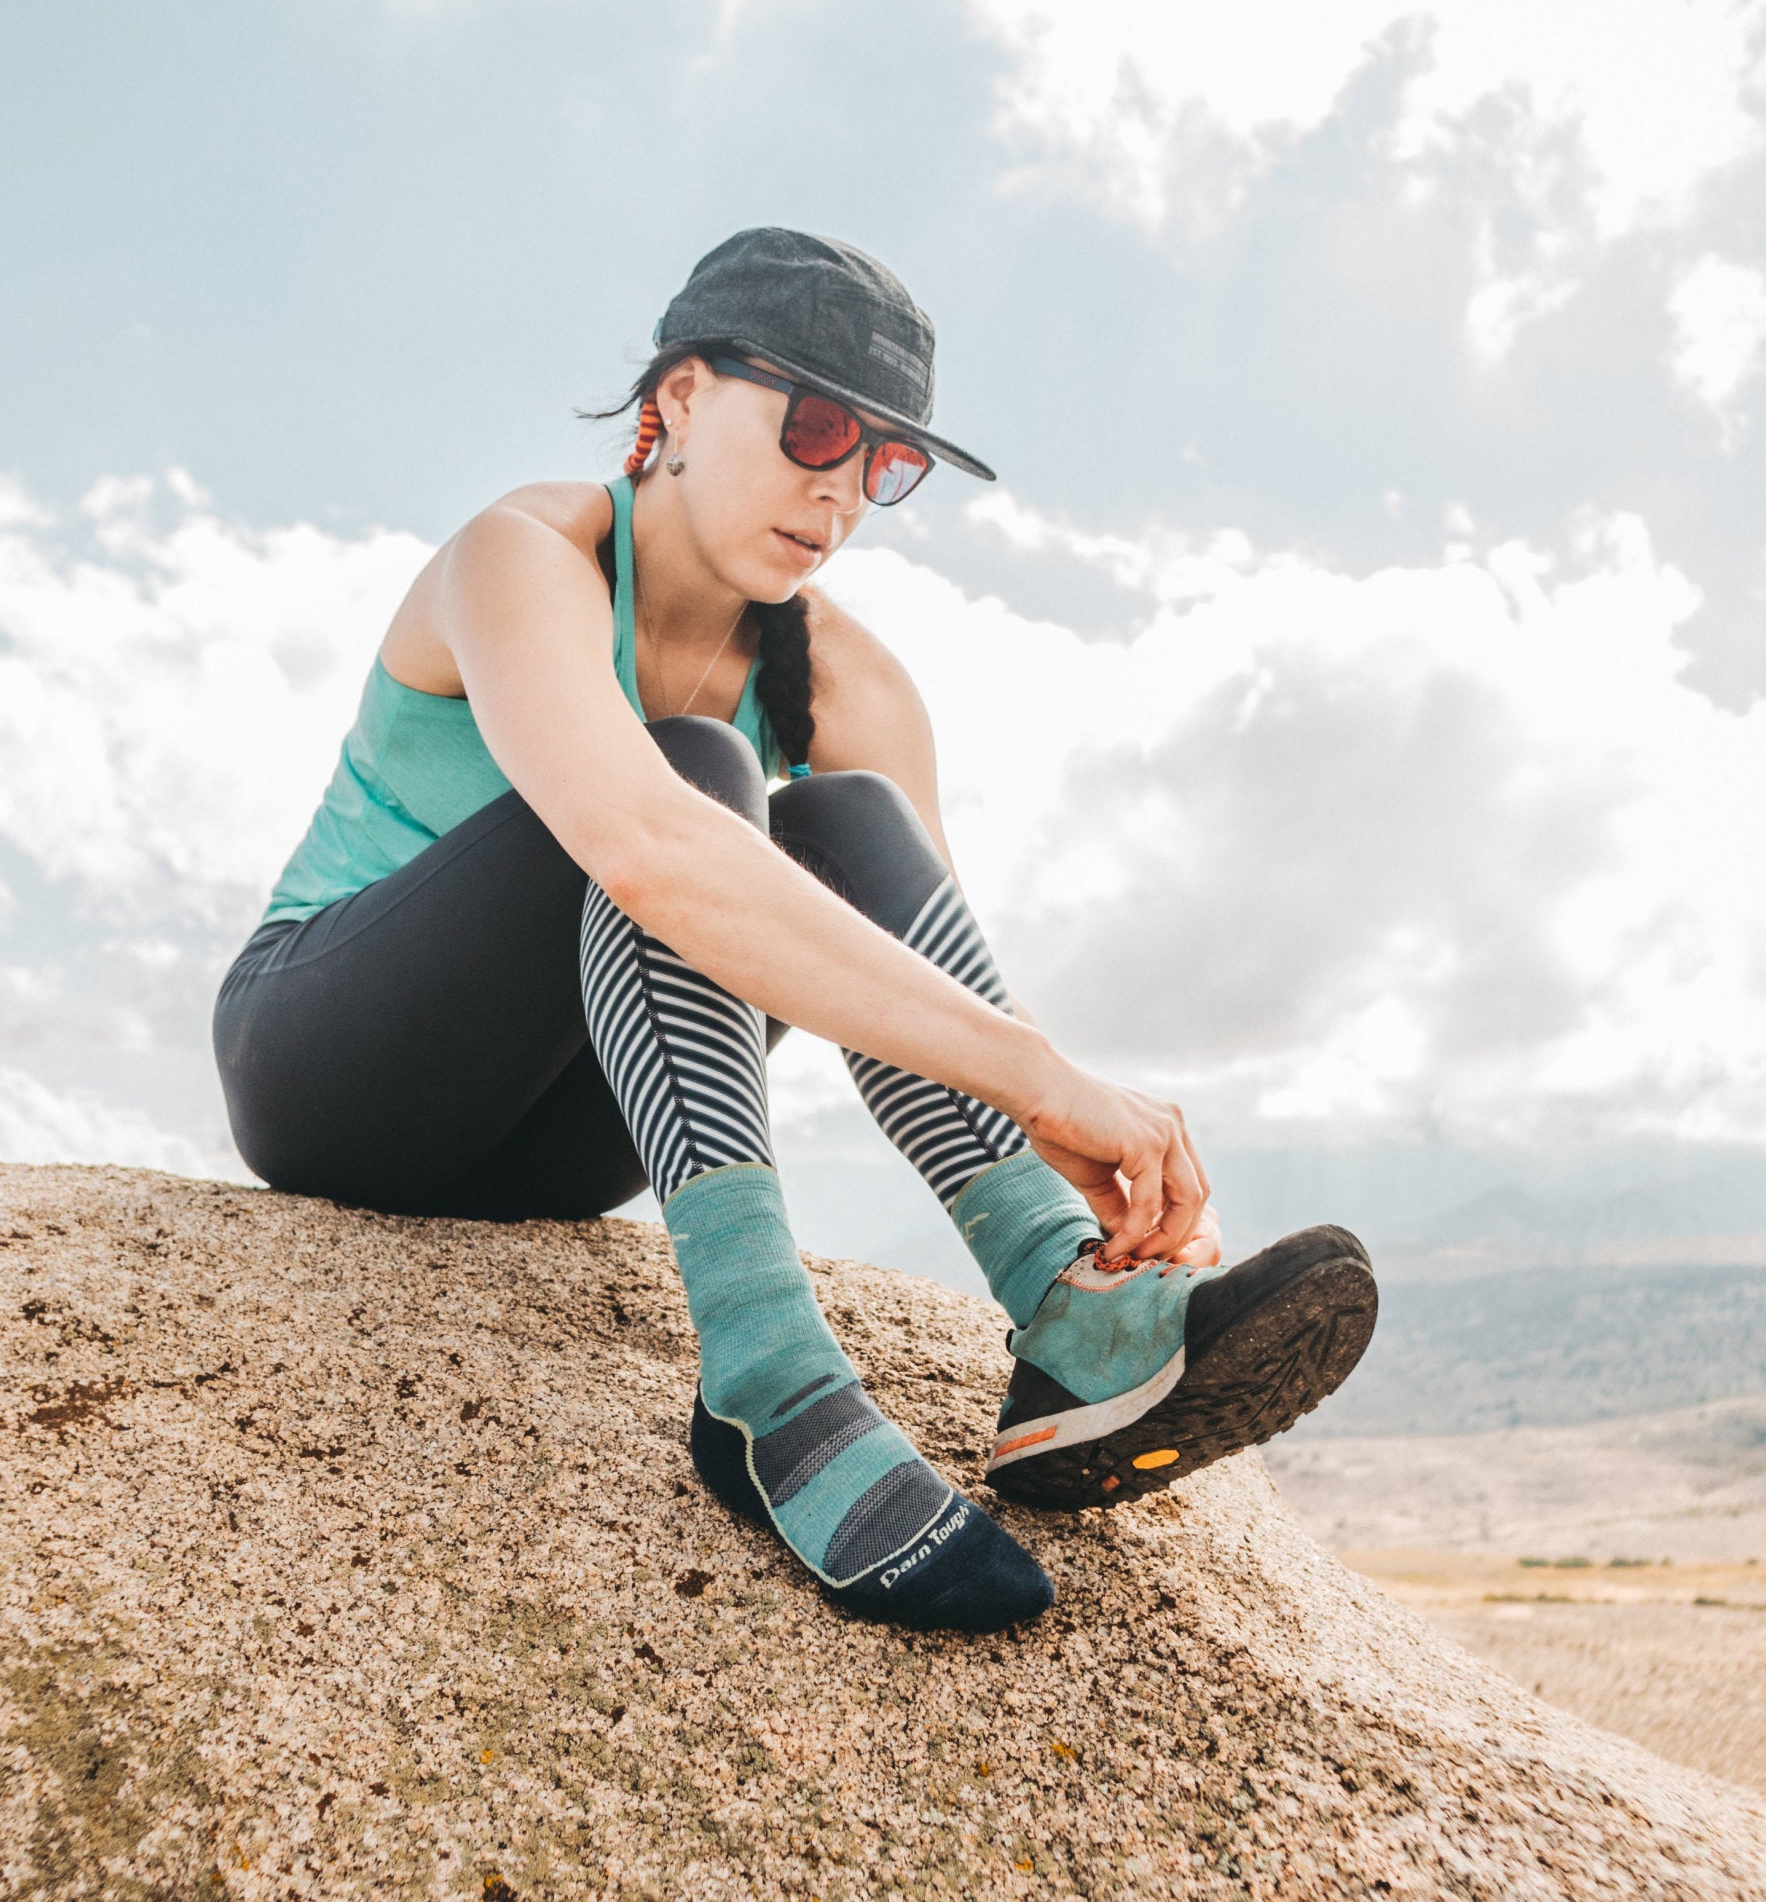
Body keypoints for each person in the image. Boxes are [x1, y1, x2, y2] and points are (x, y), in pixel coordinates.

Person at [214, 228, 1376, 1636]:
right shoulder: (519, 555)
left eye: (885, 464)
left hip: (561, 1144)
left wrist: (1075, 1150)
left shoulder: (850, 681)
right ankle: (768, 1387)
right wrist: (1038, 1074)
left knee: (848, 821)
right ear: (681, 396)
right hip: (331, 1072)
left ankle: (1069, 1318)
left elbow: (923, 988)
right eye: (816, 427)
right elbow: (649, 847)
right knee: (698, 775)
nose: (840, 491)